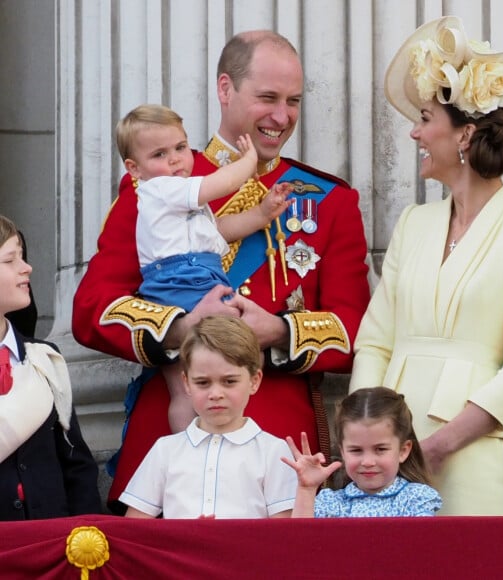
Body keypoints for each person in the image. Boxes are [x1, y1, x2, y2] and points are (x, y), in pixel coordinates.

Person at [72, 30, 370, 513]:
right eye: (267, 98)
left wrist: (278, 331)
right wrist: (179, 327)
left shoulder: (329, 202)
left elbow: (358, 331)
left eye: (293, 101)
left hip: (277, 453)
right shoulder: (156, 183)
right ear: (226, 89)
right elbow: (91, 308)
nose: (282, 116)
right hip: (171, 449)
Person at [349, 16, 503, 515]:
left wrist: (439, 447)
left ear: (465, 135)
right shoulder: (414, 221)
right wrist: (366, 440)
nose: (413, 133)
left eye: (425, 118)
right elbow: (376, 340)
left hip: (466, 451)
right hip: (385, 455)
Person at [116, 104, 292, 432]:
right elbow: (218, 185)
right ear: (134, 169)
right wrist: (249, 163)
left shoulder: (176, 200)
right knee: (236, 361)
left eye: (181, 148)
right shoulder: (162, 188)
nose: (175, 160)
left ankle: (190, 447)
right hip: (184, 284)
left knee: (186, 388)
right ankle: (196, 448)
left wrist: (263, 214)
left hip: (181, 283)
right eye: (159, 154)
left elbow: (219, 232)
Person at [120, 316, 297, 518]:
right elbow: (136, 526)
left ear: (254, 381)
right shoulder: (165, 450)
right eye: (203, 383)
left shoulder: (273, 451)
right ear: (186, 383)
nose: (215, 394)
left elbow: (284, 534)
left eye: (229, 381)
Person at [0, 215, 101, 520]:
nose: (26, 267)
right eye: (10, 259)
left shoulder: (46, 358)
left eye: (23, 256)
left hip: (52, 545)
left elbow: (76, 461)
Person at [282, 387, 441, 517]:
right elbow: (301, 544)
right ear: (342, 452)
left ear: (403, 451)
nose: (368, 462)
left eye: (380, 449)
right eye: (356, 450)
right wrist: (307, 489)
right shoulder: (331, 503)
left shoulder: (416, 498)